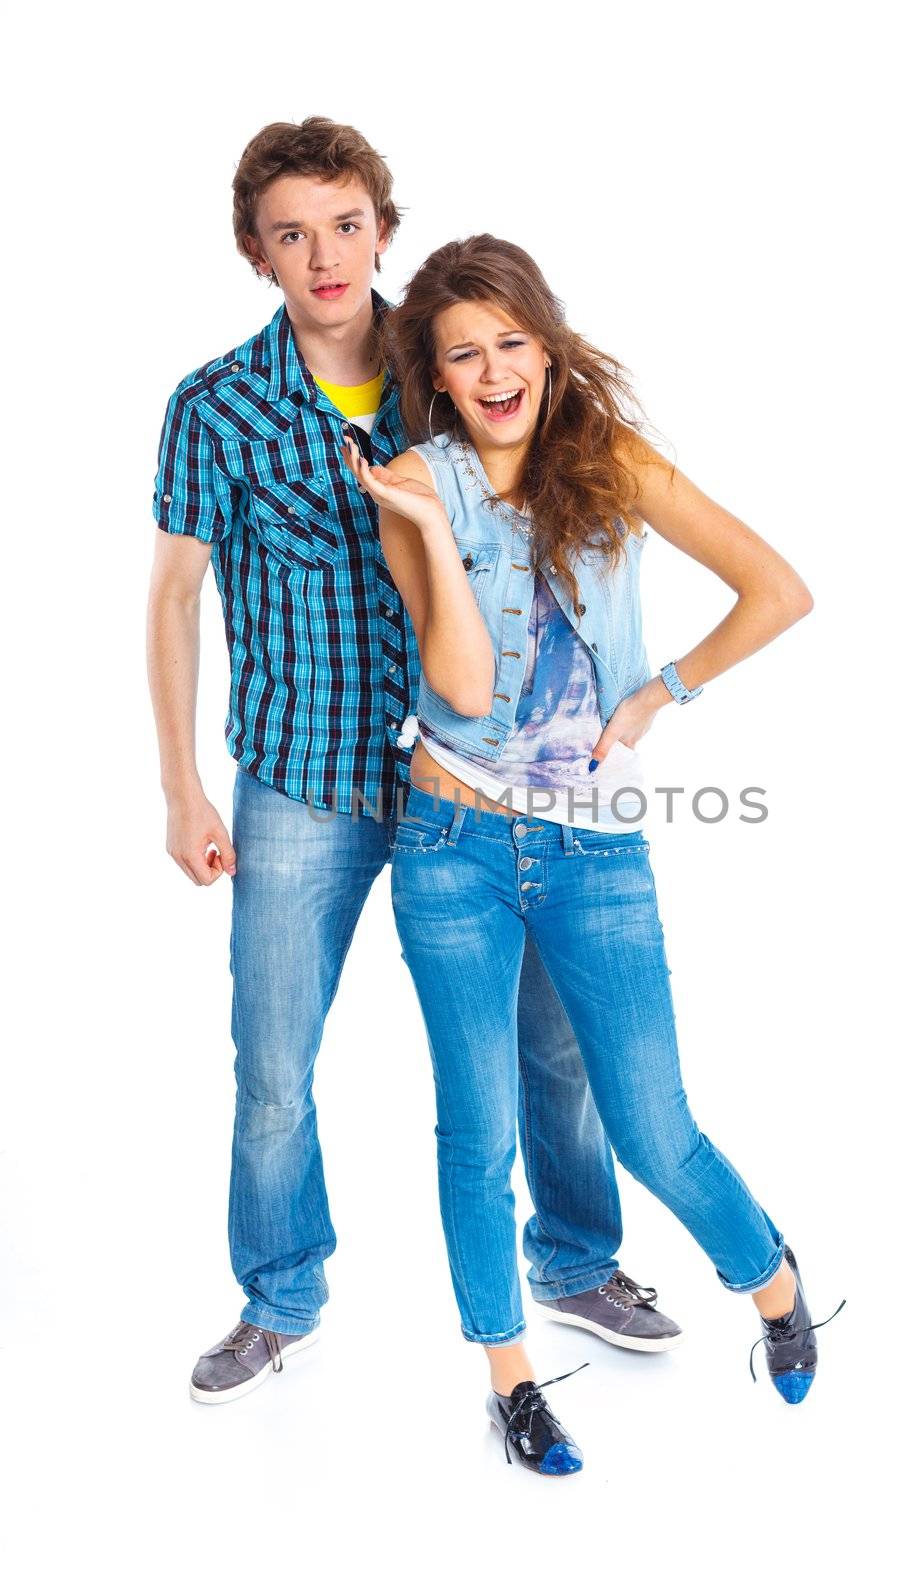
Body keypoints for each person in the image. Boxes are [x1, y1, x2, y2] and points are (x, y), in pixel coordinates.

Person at [146, 118, 681, 1410]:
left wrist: (647, 687)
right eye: (291, 232)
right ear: (254, 252)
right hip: (302, 777)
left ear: (383, 229)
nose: (323, 255)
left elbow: (570, 512)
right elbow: (172, 598)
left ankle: (574, 1261)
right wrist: (179, 786)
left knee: (547, 1048)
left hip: (486, 782)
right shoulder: (214, 408)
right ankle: (280, 1297)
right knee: (272, 1062)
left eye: (345, 224)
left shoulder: (455, 361)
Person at [346, 235, 843, 1475]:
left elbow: (776, 589)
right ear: (439, 377)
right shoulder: (416, 480)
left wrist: (658, 693)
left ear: (546, 346)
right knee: (477, 1130)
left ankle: (770, 1277)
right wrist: (423, 523)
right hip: (449, 842)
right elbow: (458, 684)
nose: (492, 369)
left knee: (650, 1121)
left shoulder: (606, 461)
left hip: (588, 851)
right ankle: (509, 1380)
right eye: (461, 354)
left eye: (510, 340)